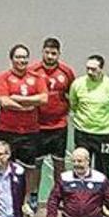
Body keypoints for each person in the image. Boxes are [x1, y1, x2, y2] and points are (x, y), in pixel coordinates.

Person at [0, 44, 48, 216]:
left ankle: (25, 202)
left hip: (30, 131)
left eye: (24, 57)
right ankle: (4, 200)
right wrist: (26, 105)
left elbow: (43, 98)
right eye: (18, 57)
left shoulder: (36, 77)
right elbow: (4, 101)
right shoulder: (3, 77)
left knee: (29, 168)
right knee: (4, 166)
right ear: (12, 59)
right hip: (7, 130)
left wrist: (17, 98)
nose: (22, 60)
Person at [29, 37, 76, 194]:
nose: (50, 56)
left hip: (59, 126)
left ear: (59, 54)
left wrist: (66, 111)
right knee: (37, 163)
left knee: (59, 163)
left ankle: (59, 195)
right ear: (42, 52)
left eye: (53, 53)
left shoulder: (66, 72)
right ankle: (34, 195)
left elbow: (72, 95)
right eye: (47, 52)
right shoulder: (33, 71)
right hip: (38, 126)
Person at [68, 54, 109, 176]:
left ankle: (102, 194)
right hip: (82, 133)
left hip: (104, 134)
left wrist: (107, 124)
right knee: (80, 166)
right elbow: (73, 104)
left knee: (103, 167)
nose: (90, 72)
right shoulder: (77, 84)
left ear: (101, 69)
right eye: (87, 68)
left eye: (93, 69)